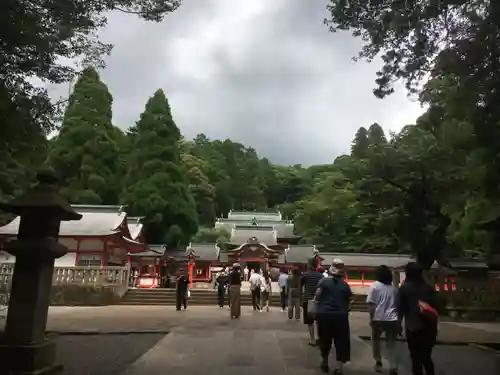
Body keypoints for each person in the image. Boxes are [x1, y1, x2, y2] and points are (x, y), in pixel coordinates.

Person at [397, 262, 439, 375]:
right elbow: (436, 308)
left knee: (415, 358)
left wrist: (398, 325)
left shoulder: (404, 288)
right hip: (430, 326)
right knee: (426, 356)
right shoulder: (429, 288)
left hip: (413, 327)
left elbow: (400, 308)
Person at [314, 260, 352, 374]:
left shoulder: (323, 282)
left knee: (325, 338)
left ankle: (325, 362)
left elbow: (317, 296)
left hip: (325, 314)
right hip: (341, 315)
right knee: (341, 340)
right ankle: (339, 366)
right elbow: (350, 302)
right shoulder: (345, 285)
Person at [367, 265, 400, 374]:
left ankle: (378, 361)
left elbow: (371, 305)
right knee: (391, 343)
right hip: (392, 319)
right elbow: (397, 305)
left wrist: (371, 319)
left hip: (378, 318)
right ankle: (393, 366)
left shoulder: (374, 286)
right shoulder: (393, 289)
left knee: (376, 340)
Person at [301, 258, 323, 346]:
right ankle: (319, 338)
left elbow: (300, 286)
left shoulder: (305, 275)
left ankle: (312, 339)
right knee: (318, 321)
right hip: (318, 301)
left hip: (307, 300)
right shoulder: (321, 276)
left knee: (310, 322)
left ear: (309, 265)